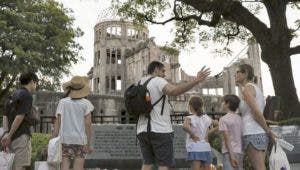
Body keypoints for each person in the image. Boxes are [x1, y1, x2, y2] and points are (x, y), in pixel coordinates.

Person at [136, 61, 210, 170]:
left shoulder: (139, 83)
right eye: (163, 71)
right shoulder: (158, 81)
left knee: (147, 163)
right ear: (156, 70)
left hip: (142, 130)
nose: (165, 74)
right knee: (164, 165)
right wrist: (196, 80)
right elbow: (174, 91)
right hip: (160, 130)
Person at [235, 64, 276, 170]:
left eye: (238, 72)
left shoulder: (248, 88)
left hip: (252, 133)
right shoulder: (254, 88)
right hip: (257, 132)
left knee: (259, 168)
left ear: (245, 73)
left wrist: (268, 130)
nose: (235, 74)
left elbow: (256, 113)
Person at [52, 76, 94, 170]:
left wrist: (52, 140)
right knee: (78, 166)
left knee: (64, 164)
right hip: (80, 139)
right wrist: (89, 143)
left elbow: (57, 123)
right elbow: (88, 125)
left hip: (65, 139)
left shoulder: (62, 102)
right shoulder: (86, 104)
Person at [1, 71, 39, 170]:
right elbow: (19, 117)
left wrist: (6, 133)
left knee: (12, 166)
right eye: (36, 83)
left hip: (11, 138)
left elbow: (5, 116)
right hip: (21, 136)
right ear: (32, 82)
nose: (36, 86)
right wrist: (9, 136)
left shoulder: (12, 95)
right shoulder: (27, 95)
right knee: (19, 166)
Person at [182, 96, 215, 170]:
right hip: (206, 147)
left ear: (190, 106)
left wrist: (192, 134)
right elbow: (218, 124)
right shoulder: (206, 118)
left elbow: (185, 126)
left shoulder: (190, 118)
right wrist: (208, 133)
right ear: (202, 106)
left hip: (195, 147)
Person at [219, 94, 243, 170]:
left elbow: (227, 138)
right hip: (239, 152)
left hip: (228, 152)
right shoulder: (240, 118)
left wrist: (231, 155)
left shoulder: (223, 119)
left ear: (228, 103)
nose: (221, 104)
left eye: (223, 102)